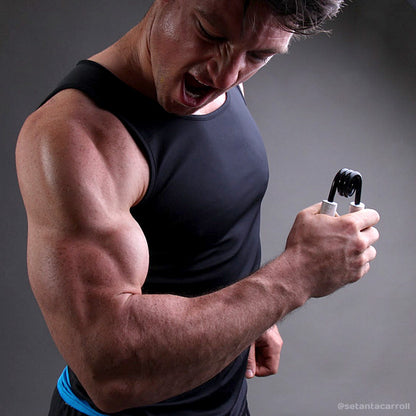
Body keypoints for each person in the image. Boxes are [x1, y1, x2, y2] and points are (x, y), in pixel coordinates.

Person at [16, 0, 380, 415]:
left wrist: (251, 315)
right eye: (210, 34)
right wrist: (294, 276)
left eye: (258, 55)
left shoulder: (218, 78)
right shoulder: (76, 135)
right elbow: (111, 371)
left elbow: (200, 216)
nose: (225, 75)